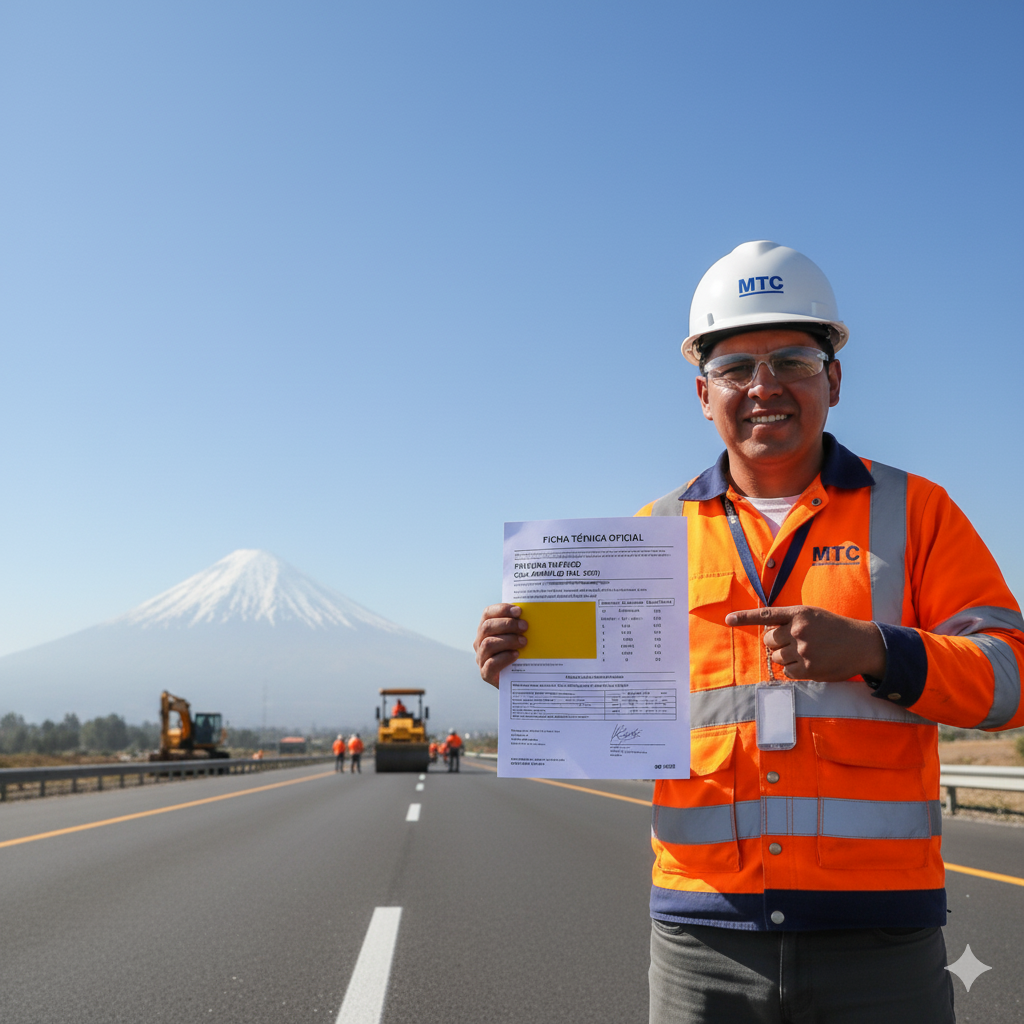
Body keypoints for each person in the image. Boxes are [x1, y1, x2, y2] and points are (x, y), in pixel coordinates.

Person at [473, 241, 1024, 1024]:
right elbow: (615, 717)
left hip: (881, 937)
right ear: (704, 392)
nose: (764, 387)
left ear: (834, 378)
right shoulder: (649, 536)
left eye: (792, 361)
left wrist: (878, 650)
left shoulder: (918, 512)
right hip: (705, 938)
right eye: (736, 368)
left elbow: (1013, 675)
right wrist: (528, 669)